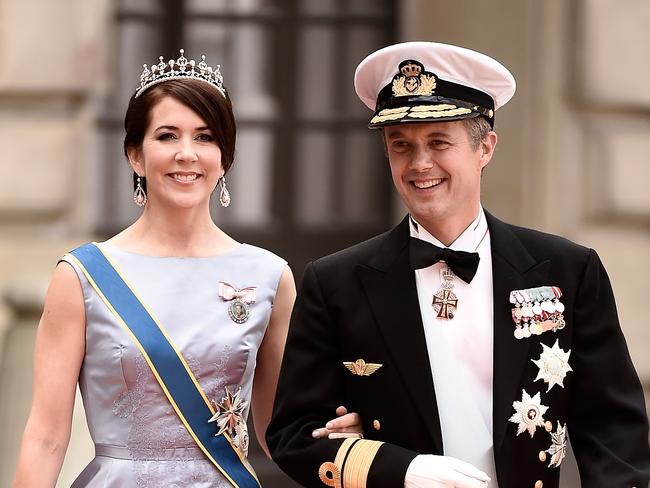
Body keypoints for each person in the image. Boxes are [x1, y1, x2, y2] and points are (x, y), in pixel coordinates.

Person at [266, 41, 650, 488]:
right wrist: (402, 469)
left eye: (438, 142)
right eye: (400, 146)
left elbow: (614, 433)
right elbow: (294, 435)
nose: (420, 164)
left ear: (485, 147)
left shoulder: (566, 270)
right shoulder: (335, 282)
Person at [13, 49, 360, 488]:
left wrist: (351, 436)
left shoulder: (270, 276)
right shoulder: (83, 275)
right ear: (135, 155)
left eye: (204, 137)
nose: (186, 154)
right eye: (167, 136)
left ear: (224, 158)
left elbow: (282, 434)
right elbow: (45, 437)